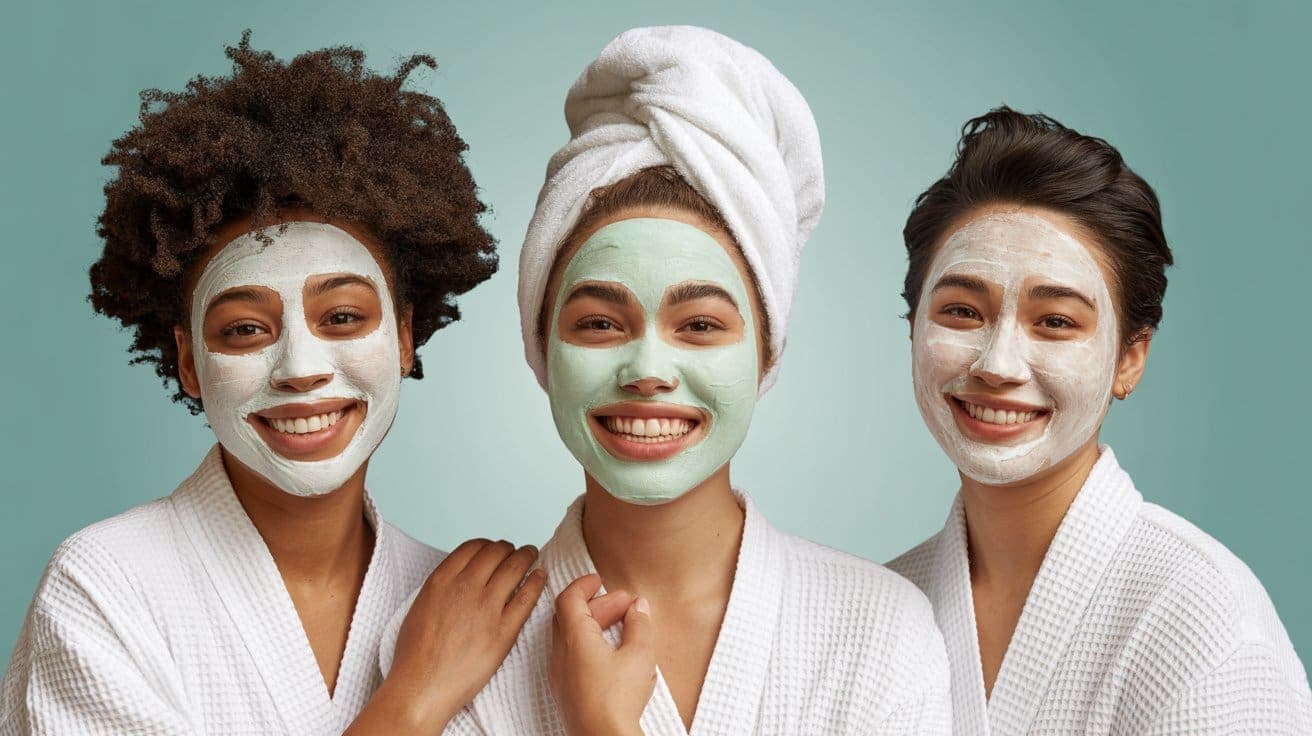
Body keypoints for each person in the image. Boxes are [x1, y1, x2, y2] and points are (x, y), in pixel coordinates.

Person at [382, 26, 951, 735]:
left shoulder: (881, 631)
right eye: (598, 324)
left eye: (701, 326)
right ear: (540, 349)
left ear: (766, 353)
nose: (648, 371)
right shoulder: (452, 647)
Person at [0, 33, 544, 735]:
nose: (300, 368)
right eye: (245, 330)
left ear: (404, 336)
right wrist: (416, 696)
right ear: (190, 362)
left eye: (343, 316)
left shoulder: (469, 605)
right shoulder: (104, 587)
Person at [888, 107, 1312, 734]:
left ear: (1129, 359)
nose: (998, 364)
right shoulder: (886, 604)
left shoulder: (1202, 616)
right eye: (961, 311)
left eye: (1055, 321)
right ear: (914, 327)